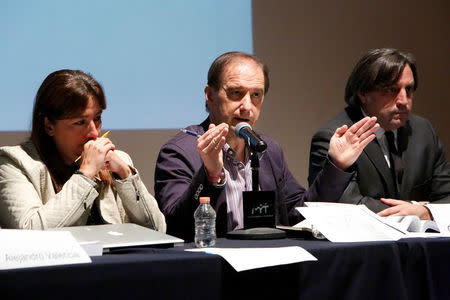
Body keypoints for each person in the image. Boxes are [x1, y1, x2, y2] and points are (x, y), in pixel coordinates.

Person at [155, 51, 378, 240]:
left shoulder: (268, 150)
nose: (247, 107)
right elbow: (175, 227)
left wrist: (336, 165)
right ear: (209, 95)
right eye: (236, 93)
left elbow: (299, 215)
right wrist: (211, 175)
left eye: (256, 95)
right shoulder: (180, 151)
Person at [0, 69, 166, 231]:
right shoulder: (14, 163)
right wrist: (85, 175)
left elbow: (158, 229)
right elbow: (31, 230)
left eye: (97, 118)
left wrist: (125, 174)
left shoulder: (118, 161)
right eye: (80, 122)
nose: (94, 132)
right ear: (49, 125)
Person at [309, 48, 450, 220]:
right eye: (391, 90)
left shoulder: (423, 131)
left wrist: (426, 212)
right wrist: (414, 210)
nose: (404, 101)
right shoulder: (335, 138)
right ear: (362, 93)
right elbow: (343, 204)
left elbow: (446, 196)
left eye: (409, 89)